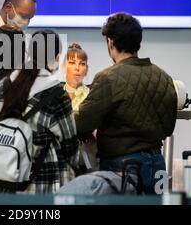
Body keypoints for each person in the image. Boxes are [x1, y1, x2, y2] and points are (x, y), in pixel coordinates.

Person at [76, 12, 177, 194]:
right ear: (138, 41)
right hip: (157, 164)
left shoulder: (108, 78)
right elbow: (168, 127)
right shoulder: (164, 77)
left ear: (111, 42)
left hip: (122, 166)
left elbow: (82, 123)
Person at [0, 30, 79, 194]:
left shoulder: (4, 84)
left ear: (28, 53)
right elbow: (69, 145)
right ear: (56, 58)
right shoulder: (56, 93)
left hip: (2, 178)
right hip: (41, 181)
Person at [63, 43, 98, 172]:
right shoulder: (55, 95)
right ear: (64, 67)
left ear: (87, 69)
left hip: (89, 158)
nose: (77, 68)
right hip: (63, 159)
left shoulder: (94, 95)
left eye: (82, 64)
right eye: (72, 63)